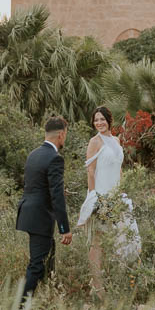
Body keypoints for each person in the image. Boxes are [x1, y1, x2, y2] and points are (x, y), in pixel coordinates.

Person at [76, 106, 141, 297]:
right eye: (96, 120)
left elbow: (119, 168)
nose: (99, 123)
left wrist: (121, 191)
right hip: (101, 197)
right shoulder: (94, 142)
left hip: (116, 197)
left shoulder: (115, 140)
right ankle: (98, 287)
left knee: (127, 240)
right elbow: (90, 171)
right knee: (99, 242)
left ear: (109, 120)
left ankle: (124, 284)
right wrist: (93, 197)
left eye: (102, 119)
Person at [16, 116, 72, 298]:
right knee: (37, 264)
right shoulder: (55, 158)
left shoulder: (33, 154)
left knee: (48, 255)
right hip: (40, 216)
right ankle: (21, 308)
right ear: (61, 135)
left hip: (29, 213)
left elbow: (37, 185)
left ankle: (48, 296)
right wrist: (64, 228)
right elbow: (56, 197)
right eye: (66, 135)